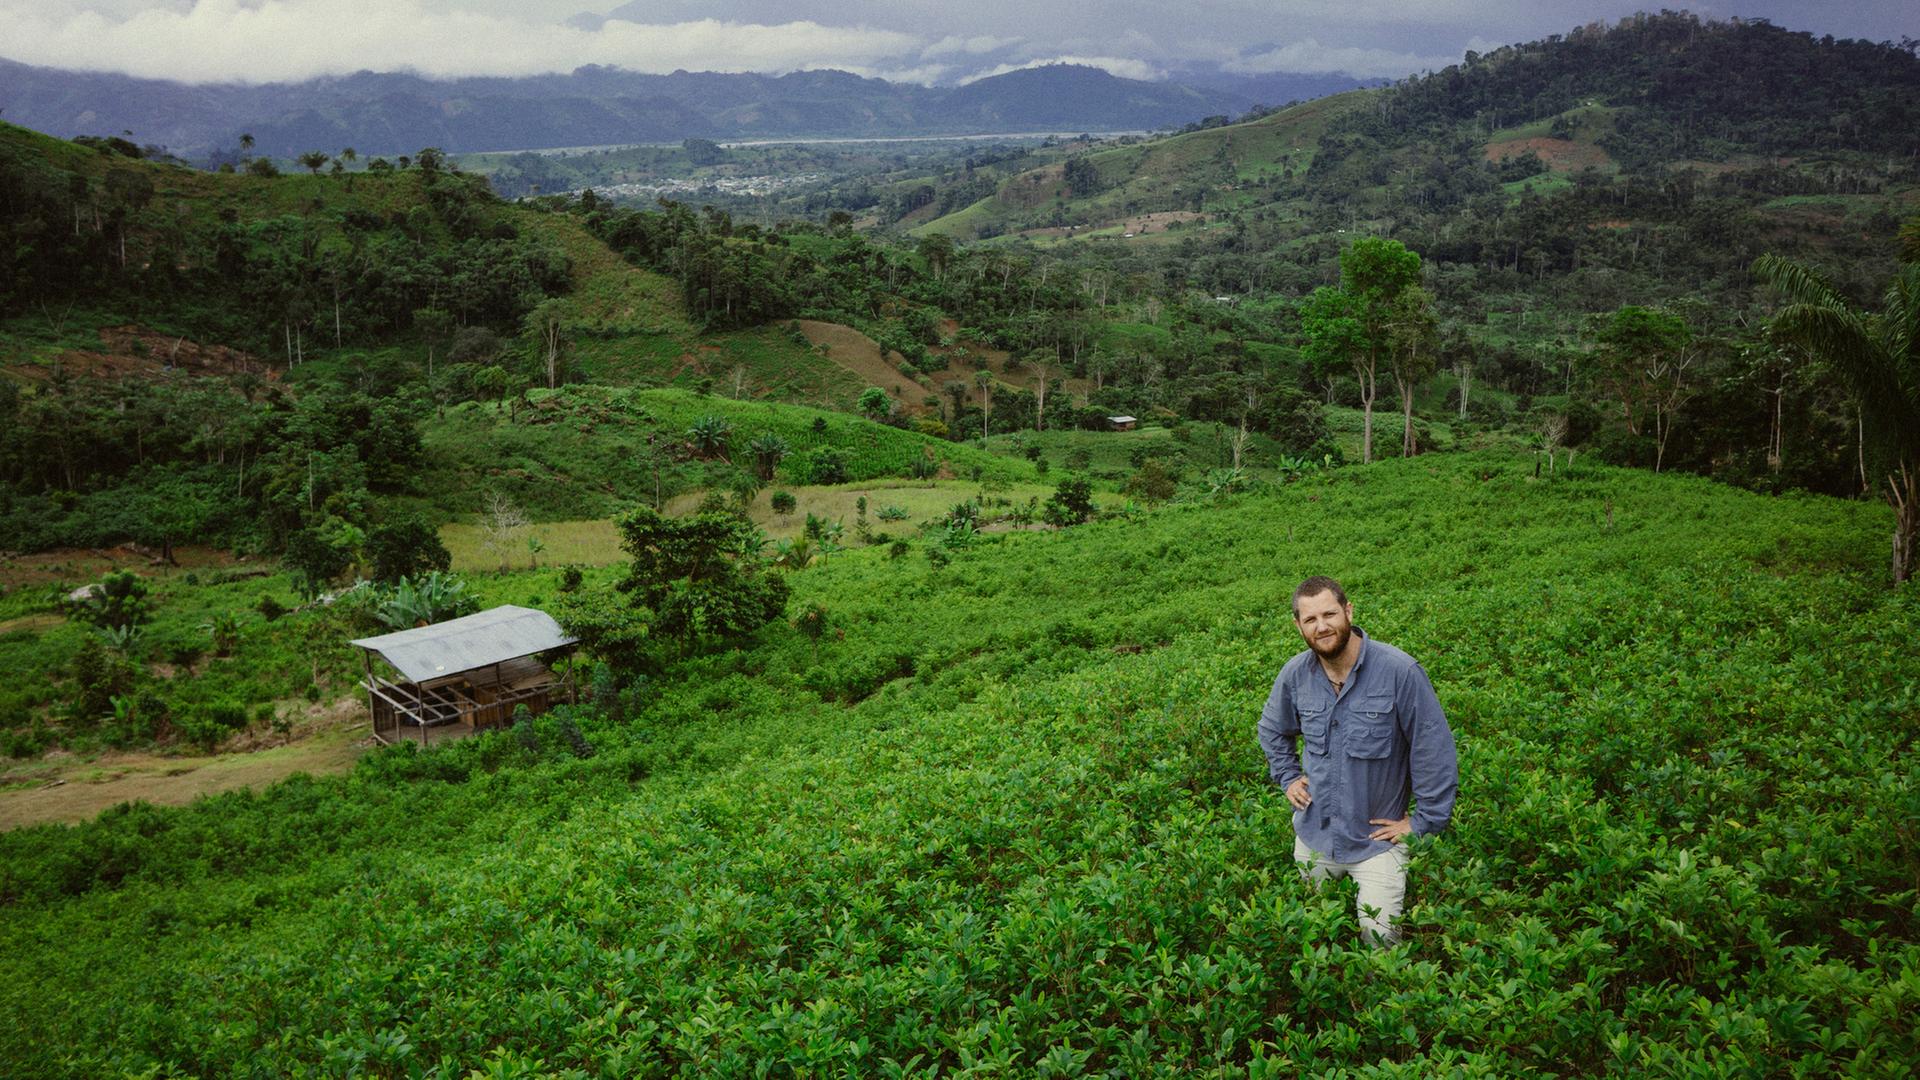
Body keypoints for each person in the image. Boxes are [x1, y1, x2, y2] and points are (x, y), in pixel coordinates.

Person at [1258, 575, 1457, 945]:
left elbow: (1434, 749)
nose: (1322, 626)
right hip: (1314, 835)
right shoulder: (1295, 675)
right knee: (1313, 935)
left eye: (1330, 614)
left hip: (1377, 845)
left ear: (1348, 611)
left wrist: (1424, 821)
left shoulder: (1400, 672)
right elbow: (1271, 729)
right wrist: (1287, 776)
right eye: (1310, 619)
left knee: (1379, 944)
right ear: (1298, 626)